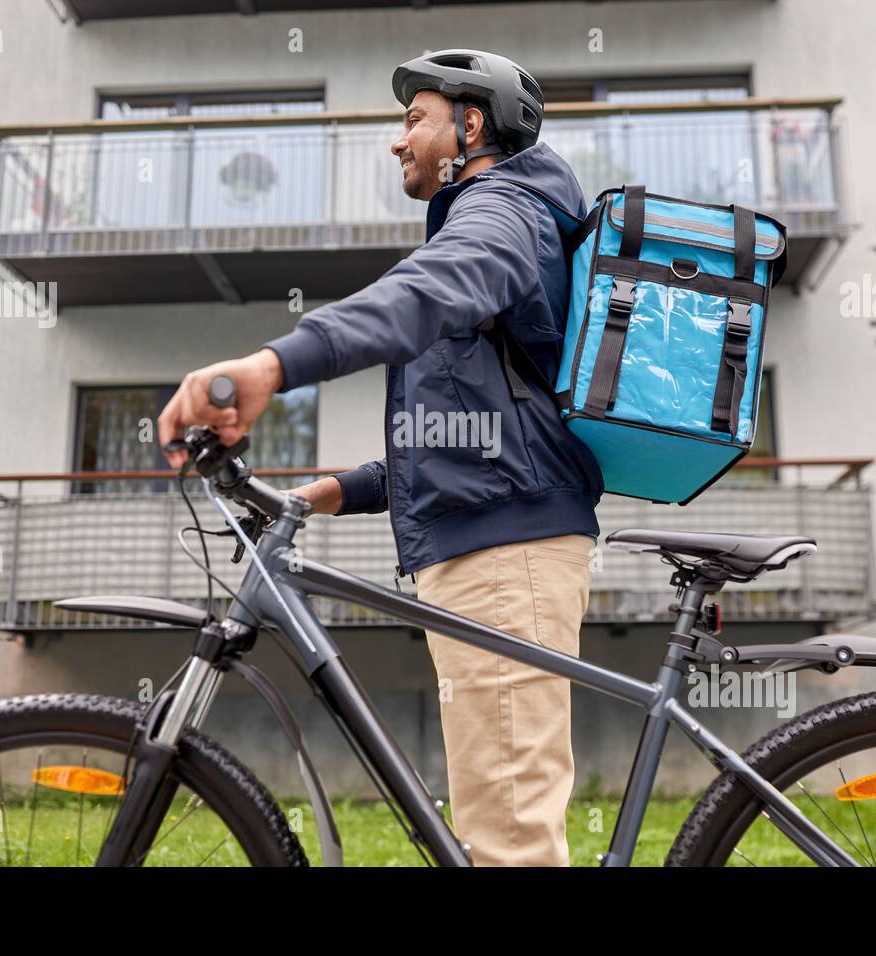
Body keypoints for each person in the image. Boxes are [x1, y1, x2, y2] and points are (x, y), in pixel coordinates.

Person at [158, 49, 604, 866]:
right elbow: (477, 437)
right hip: (492, 547)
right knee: (494, 832)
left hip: (506, 559)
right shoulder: (500, 215)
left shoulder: (502, 210)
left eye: (413, 120)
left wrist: (273, 366)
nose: (397, 142)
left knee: (508, 848)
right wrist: (331, 491)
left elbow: (429, 289)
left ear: (471, 126)